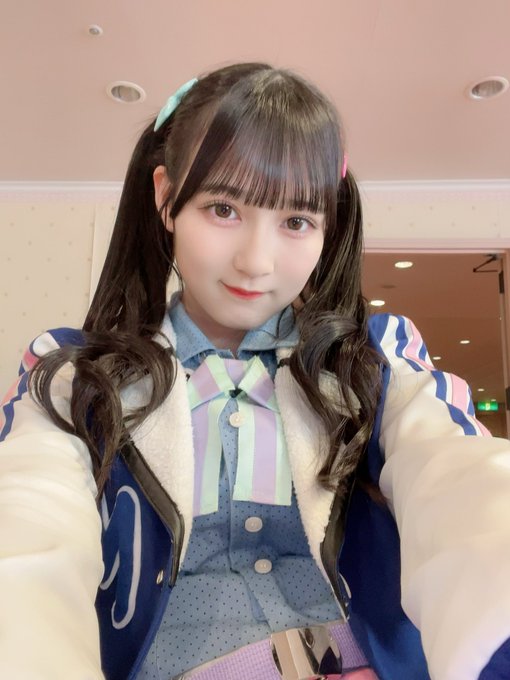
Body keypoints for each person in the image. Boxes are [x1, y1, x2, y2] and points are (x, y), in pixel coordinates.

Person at [1, 62, 509, 680]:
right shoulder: (73, 377)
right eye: (223, 209)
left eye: (296, 222)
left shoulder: (374, 362)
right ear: (166, 198)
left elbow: (457, 474)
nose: (256, 261)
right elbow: (27, 527)